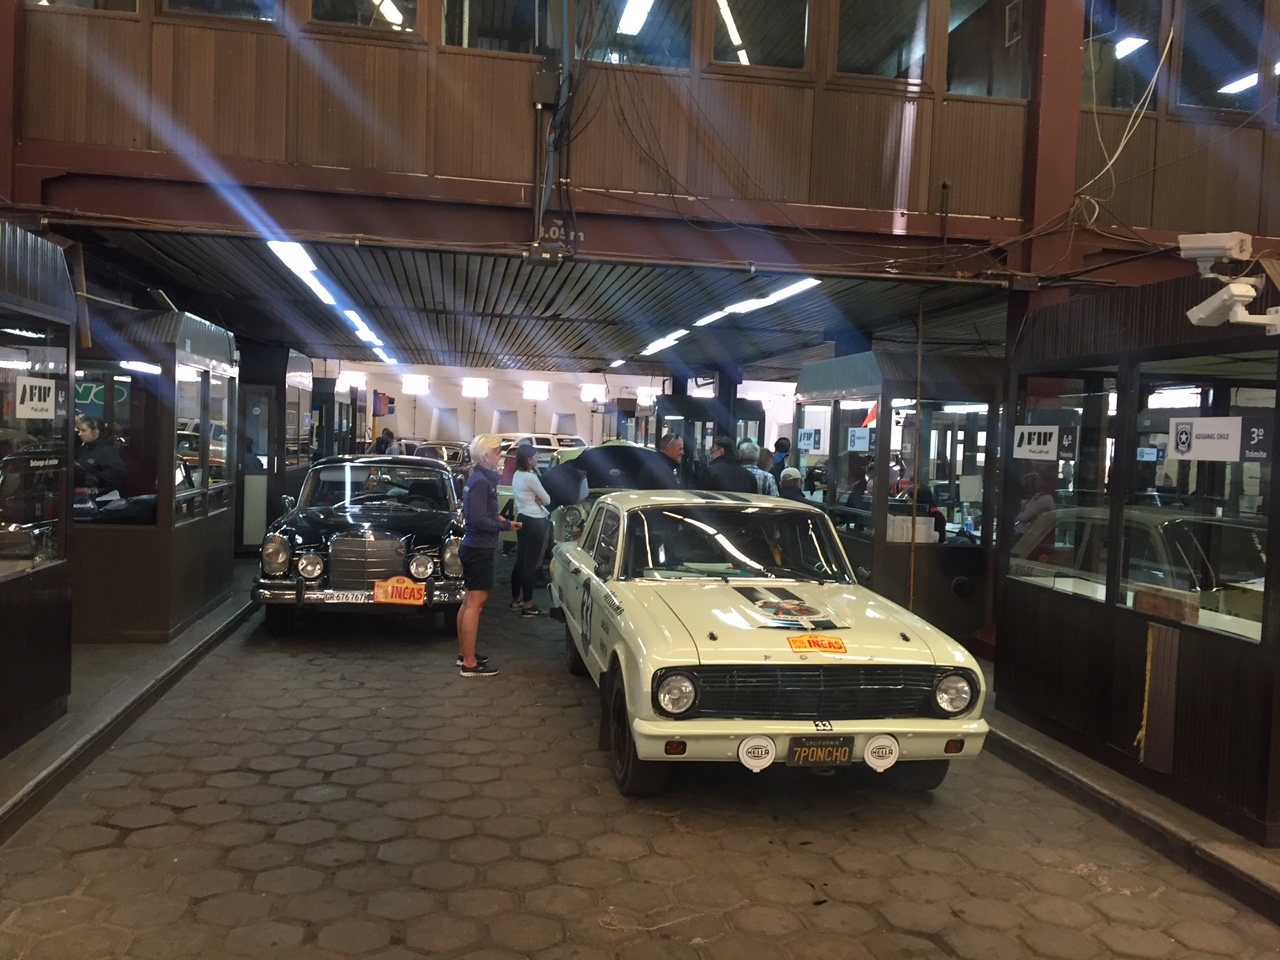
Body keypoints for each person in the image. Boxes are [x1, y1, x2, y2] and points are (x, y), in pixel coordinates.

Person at [457, 435, 520, 677]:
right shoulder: (482, 482)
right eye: (496, 452)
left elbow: (480, 514)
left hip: (475, 547)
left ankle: (465, 654)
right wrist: (504, 525)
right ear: (485, 457)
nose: (499, 456)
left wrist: (498, 519)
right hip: (478, 548)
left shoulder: (479, 479)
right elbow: (478, 519)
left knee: (469, 602)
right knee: (475, 603)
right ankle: (469, 663)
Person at [508, 446, 550, 617]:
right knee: (530, 565)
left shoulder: (517, 475)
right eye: (535, 457)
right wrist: (539, 498)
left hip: (522, 518)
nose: (537, 459)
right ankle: (528, 605)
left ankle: (516, 599)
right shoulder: (531, 477)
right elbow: (547, 499)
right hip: (535, 521)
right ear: (528, 460)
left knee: (520, 561)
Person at [74, 416, 127, 493]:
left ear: (95, 432)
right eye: (79, 430)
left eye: (83, 431)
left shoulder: (106, 451)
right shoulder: (84, 448)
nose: (80, 434)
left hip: (100, 495)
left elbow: (118, 474)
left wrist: (92, 479)